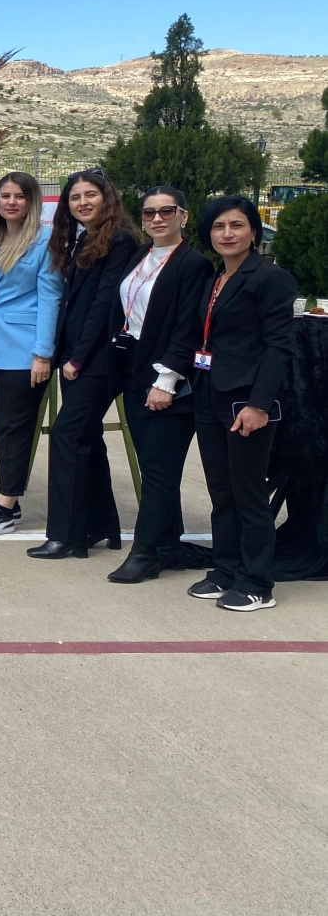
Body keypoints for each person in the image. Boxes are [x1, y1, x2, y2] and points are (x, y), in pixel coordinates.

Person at [185, 196, 296, 611]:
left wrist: (259, 404)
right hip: (210, 394)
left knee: (249, 493)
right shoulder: (217, 278)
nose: (227, 234)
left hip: (246, 402)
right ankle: (226, 568)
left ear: (254, 231)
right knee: (221, 491)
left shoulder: (270, 278)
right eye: (218, 227)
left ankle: (256, 582)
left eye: (237, 225)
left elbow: (278, 348)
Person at [27, 169, 140, 558]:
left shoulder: (120, 240)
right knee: (87, 439)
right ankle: (101, 525)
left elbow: (105, 305)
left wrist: (77, 357)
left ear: (107, 197)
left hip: (98, 359)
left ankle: (65, 534)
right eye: (75, 197)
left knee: (66, 435)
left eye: (90, 195)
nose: (82, 203)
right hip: (78, 356)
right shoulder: (86, 240)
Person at [107, 186, 212, 583]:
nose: (157, 218)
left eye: (166, 211)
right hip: (134, 371)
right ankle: (169, 544)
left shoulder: (193, 264)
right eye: (149, 212)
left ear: (183, 216)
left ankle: (146, 552)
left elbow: (188, 326)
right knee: (153, 465)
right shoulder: (141, 256)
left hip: (168, 381)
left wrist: (166, 380)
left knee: (159, 471)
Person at [0, 172, 61, 536]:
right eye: (4, 196)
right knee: (0, 427)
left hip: (24, 350)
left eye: (19, 196)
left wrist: (42, 353)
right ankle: (9, 498)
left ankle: (6, 506)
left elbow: (50, 297)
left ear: (32, 201)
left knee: (16, 429)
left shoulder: (45, 240)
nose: (10, 202)